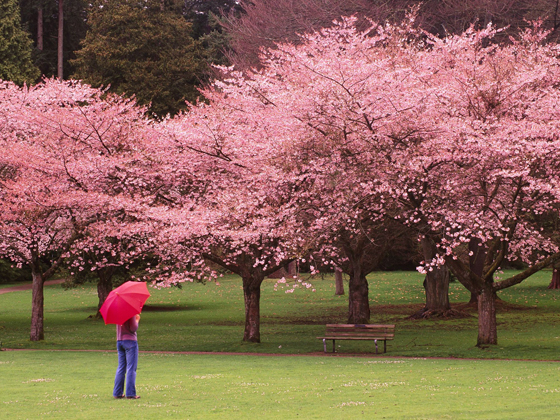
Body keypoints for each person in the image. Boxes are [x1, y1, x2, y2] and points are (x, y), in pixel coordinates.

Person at [113, 314, 141, 399]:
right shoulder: (130, 312)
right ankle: (130, 393)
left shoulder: (118, 311)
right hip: (130, 341)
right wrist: (137, 319)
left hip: (119, 340)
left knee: (121, 367)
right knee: (131, 368)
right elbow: (133, 328)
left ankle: (117, 392)